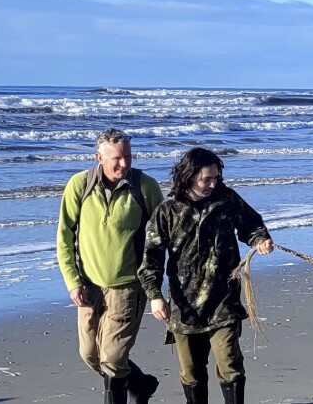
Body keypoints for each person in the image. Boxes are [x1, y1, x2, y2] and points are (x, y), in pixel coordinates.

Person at [139, 148, 274, 404]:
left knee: (230, 363)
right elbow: (151, 258)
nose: (213, 184)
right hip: (184, 305)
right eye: (207, 179)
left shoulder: (226, 199)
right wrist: (155, 296)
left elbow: (252, 224)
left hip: (225, 300)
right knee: (192, 372)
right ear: (189, 177)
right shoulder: (167, 210)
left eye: (216, 178)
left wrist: (260, 240)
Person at [57, 127, 165, 404]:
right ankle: (141, 384)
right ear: (99, 157)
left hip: (128, 286)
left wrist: (156, 289)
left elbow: (163, 236)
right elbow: (64, 235)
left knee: (114, 358)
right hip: (89, 286)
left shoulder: (145, 187)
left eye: (128, 156)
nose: (124, 163)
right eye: (117, 158)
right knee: (90, 354)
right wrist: (72, 281)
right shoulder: (79, 186)